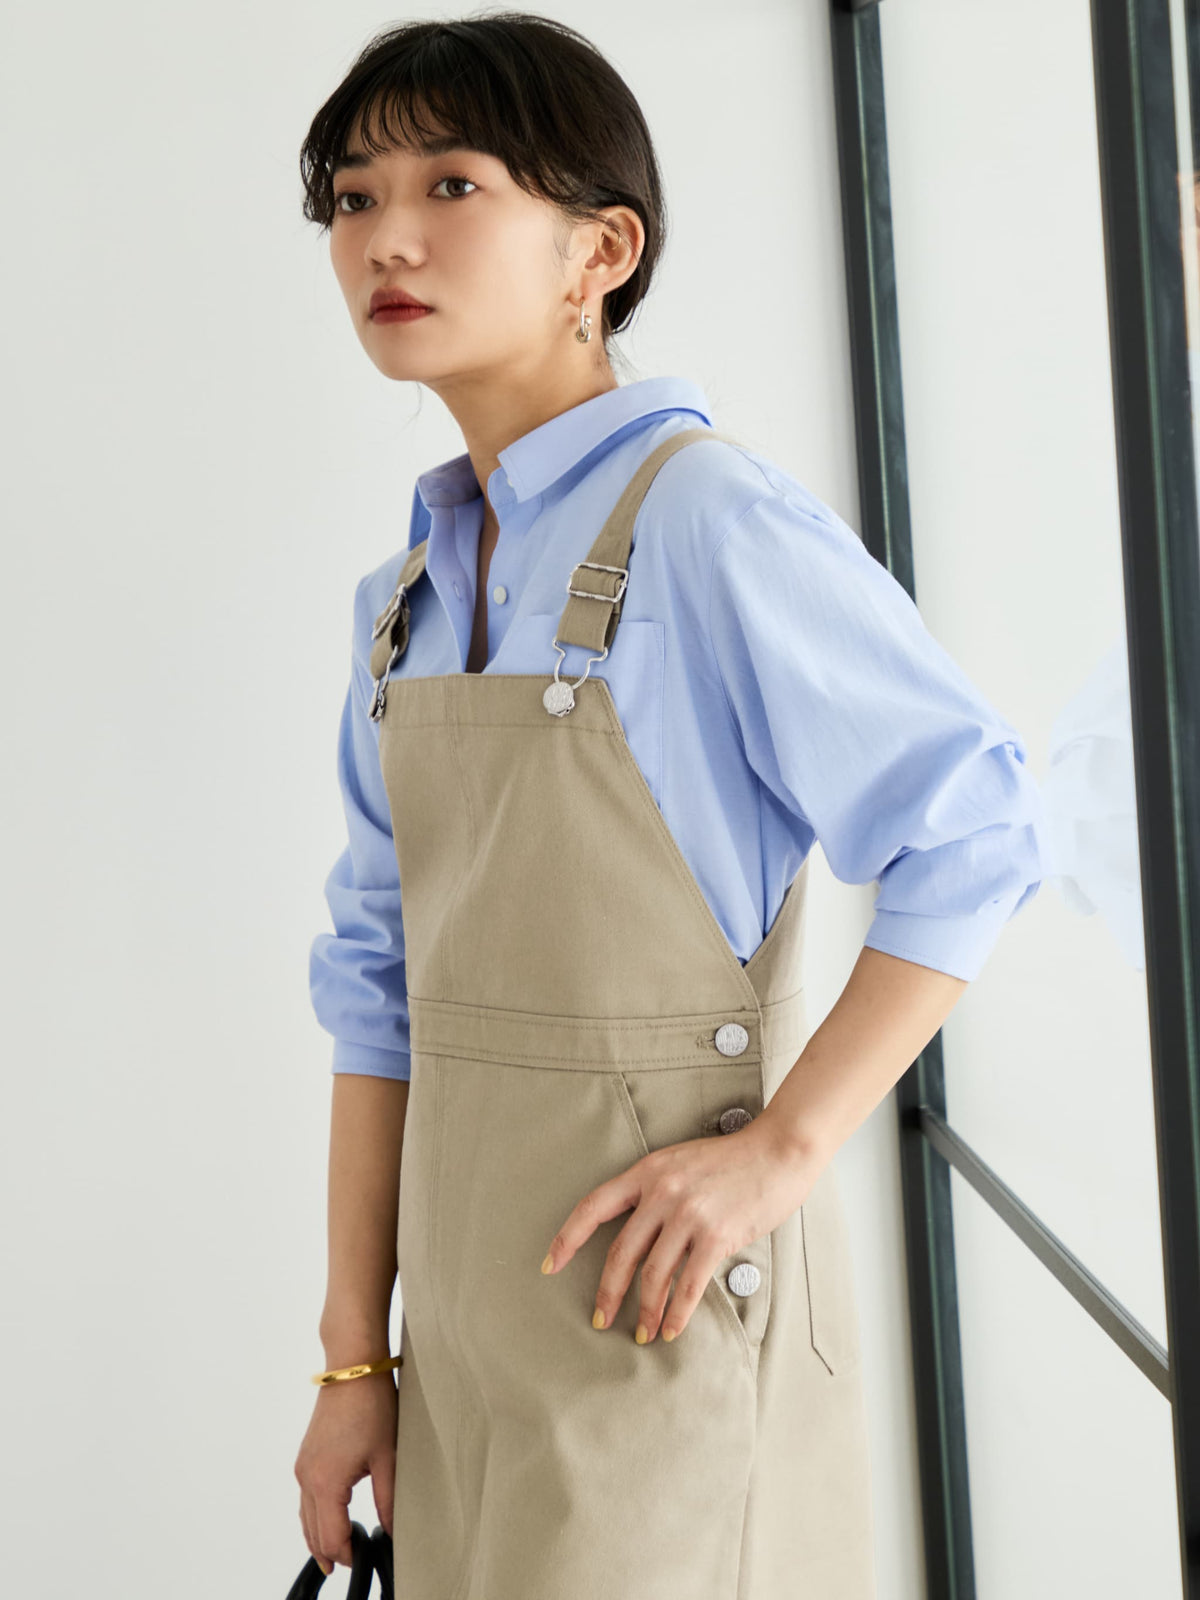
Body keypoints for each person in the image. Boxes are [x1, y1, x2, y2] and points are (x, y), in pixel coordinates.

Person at [292, 12, 1049, 1597]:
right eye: (353, 198)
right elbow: (376, 989)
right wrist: (356, 1364)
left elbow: (975, 827)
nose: (387, 238)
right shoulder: (402, 599)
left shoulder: (707, 520)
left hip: (661, 1315)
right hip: (464, 1346)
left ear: (602, 249)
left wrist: (784, 1149)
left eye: (451, 184)